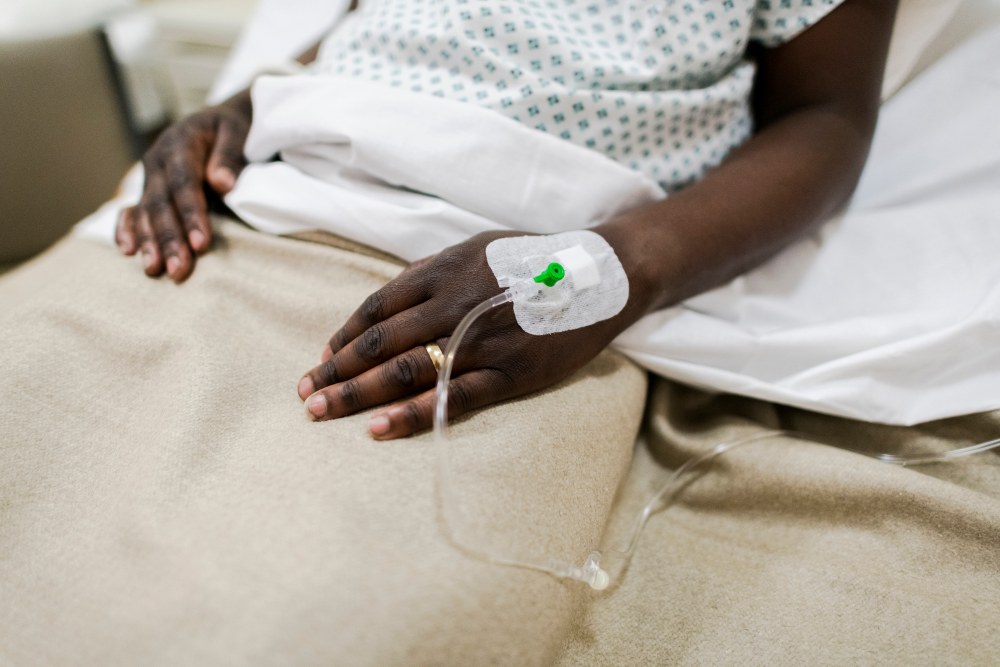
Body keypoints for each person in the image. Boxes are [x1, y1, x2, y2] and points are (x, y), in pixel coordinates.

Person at [113, 0, 898, 441]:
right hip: (267, 195)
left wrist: (599, 274)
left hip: (508, 266)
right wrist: (241, 108)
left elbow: (825, 116)